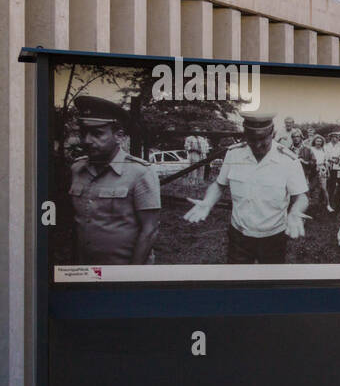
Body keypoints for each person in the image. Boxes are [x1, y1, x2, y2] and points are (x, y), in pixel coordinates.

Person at [183, 112, 309, 263]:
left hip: (273, 237)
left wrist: (295, 212)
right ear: (245, 134)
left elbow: (301, 197)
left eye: (262, 139)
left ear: (272, 132)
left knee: (270, 282)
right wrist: (208, 202)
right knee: (238, 283)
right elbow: (219, 185)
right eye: (252, 139)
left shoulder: (288, 160)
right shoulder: (234, 154)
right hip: (239, 236)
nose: (257, 145)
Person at [68, 96, 161, 265]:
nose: (87, 140)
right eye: (84, 133)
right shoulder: (77, 169)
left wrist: (130, 276)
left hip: (122, 269)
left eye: (97, 134)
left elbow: (150, 230)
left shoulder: (140, 172)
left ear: (118, 136)